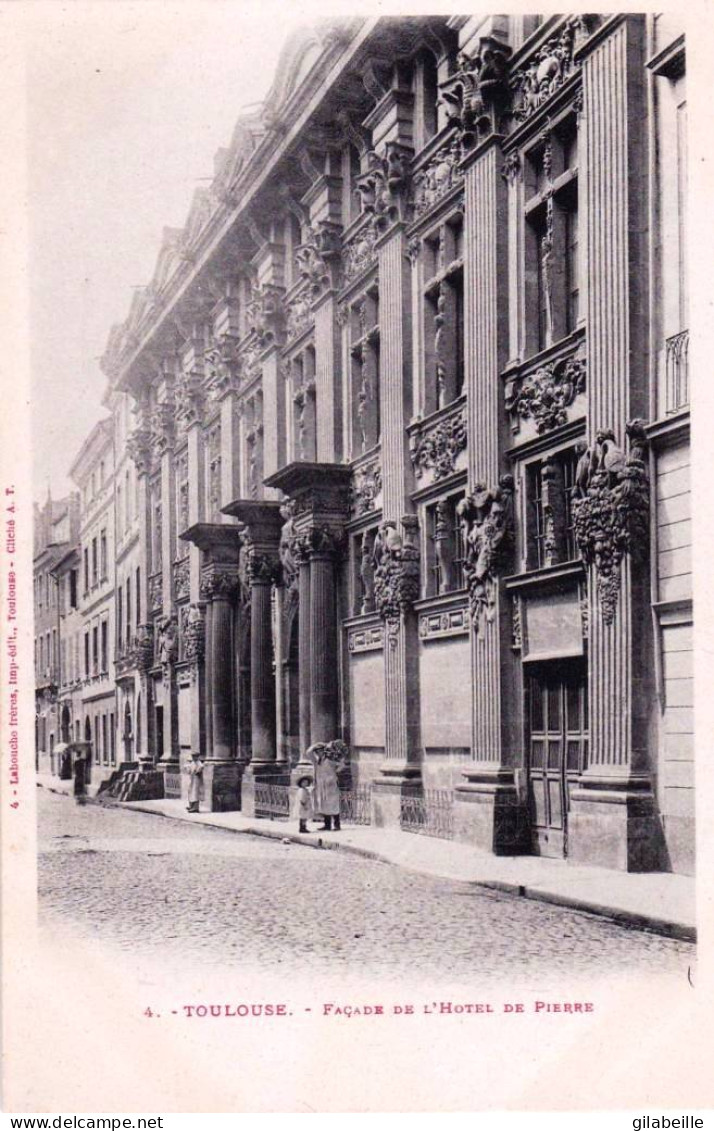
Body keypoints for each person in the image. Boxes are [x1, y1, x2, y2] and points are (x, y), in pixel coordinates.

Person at [305, 740, 347, 831]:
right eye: (316, 751)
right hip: (320, 785)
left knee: (333, 804)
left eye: (319, 751)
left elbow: (342, 765)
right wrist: (316, 744)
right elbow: (308, 753)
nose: (317, 753)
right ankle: (327, 825)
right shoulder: (317, 761)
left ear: (323, 751)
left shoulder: (329, 760)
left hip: (330, 785)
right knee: (323, 804)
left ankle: (337, 825)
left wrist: (335, 773)